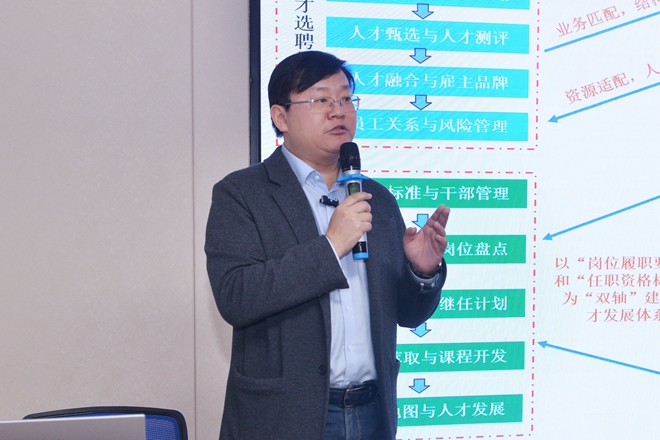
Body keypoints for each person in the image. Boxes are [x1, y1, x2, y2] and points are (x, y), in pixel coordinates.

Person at [205, 50, 450, 440]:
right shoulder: (242, 194)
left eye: (346, 99)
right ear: (281, 117)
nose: (339, 111)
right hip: (285, 418)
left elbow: (407, 315)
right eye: (321, 99)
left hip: (372, 414)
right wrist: (331, 245)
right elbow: (237, 297)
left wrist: (422, 272)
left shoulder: (377, 199)